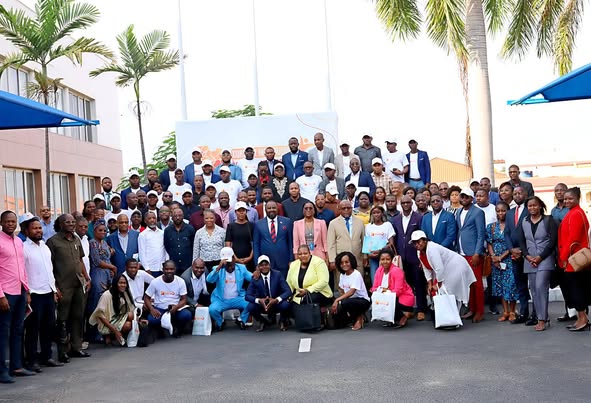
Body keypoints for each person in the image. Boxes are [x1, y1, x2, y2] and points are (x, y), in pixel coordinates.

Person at [46, 214, 91, 362]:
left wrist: (87, 277)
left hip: (78, 283)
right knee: (63, 319)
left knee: (78, 316)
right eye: (68, 222)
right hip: (63, 285)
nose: (71, 224)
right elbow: (49, 266)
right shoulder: (53, 242)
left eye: (73, 222)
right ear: (61, 224)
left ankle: (76, 347)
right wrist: (55, 287)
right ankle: (63, 351)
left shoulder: (76, 239)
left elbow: (80, 260)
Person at [23, 219, 62, 372]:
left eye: (40, 228)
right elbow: (23, 272)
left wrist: (54, 290)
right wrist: (27, 292)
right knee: (33, 329)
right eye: (34, 228)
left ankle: (47, 356)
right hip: (34, 293)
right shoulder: (24, 248)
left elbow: (49, 270)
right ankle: (32, 360)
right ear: (27, 231)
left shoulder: (45, 247)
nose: (38, 230)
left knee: (48, 327)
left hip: (48, 292)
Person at [0, 211, 34, 383]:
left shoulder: (19, 241)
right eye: (7, 221)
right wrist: (0, 296)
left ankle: (16, 366)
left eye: (13, 221)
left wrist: (26, 291)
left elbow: (22, 267)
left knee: (18, 330)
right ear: (1, 222)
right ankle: (2, 371)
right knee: (3, 333)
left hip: (20, 291)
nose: (11, 224)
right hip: (5, 293)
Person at [412, 231, 476, 317]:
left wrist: (437, 285)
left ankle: (453, 316)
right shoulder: (419, 252)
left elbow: (439, 269)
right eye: (414, 243)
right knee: (443, 290)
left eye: (418, 241)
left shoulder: (432, 250)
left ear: (425, 240)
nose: (417, 245)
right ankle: (446, 316)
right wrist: (430, 283)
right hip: (446, 269)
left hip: (457, 266)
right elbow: (426, 268)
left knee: (448, 291)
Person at [519, 196, 558, 331]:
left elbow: (552, 241)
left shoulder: (548, 220)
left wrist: (541, 257)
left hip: (545, 258)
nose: (532, 208)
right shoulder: (524, 221)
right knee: (534, 290)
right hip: (530, 260)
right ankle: (541, 316)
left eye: (535, 205)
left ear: (540, 206)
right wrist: (527, 255)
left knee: (541, 286)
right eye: (529, 206)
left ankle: (542, 319)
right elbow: (521, 241)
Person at [557, 187, 591, 332]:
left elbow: (574, 238)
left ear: (578, 199)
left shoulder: (576, 213)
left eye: (570, 198)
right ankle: (580, 318)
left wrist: (564, 257)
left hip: (574, 259)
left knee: (576, 289)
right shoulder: (572, 212)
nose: (567, 201)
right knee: (576, 288)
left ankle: (583, 319)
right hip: (572, 258)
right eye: (565, 199)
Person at [392, 195, 426, 319]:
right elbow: (394, 238)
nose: (406, 204)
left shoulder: (419, 217)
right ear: (400, 205)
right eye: (403, 203)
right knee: (406, 285)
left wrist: (422, 257)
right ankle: (408, 309)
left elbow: (422, 238)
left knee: (419, 283)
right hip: (401, 257)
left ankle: (421, 309)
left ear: (412, 204)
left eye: (408, 202)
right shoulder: (395, 219)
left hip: (415, 256)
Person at [455, 188, 486, 323]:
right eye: (462, 196)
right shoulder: (458, 212)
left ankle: (480, 311)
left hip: (473, 253)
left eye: (466, 197)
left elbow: (481, 234)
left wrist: (477, 253)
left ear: (471, 198)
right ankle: (472, 309)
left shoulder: (478, 212)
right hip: (461, 253)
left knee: (477, 283)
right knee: (468, 284)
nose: (463, 199)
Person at [486, 201, 518, 322]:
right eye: (498, 211)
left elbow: (513, 244)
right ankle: (505, 311)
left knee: (511, 285)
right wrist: (494, 257)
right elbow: (489, 243)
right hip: (496, 262)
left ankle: (512, 311)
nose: (501, 213)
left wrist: (501, 257)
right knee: (500, 286)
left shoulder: (512, 226)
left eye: (503, 210)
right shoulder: (491, 226)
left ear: (508, 211)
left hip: (509, 259)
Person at [504, 186, 532, 324]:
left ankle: (537, 314)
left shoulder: (530, 210)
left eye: (520, 193)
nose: (517, 195)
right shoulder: (510, 213)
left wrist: (522, 250)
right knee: (520, 285)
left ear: (525, 194)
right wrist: (511, 249)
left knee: (533, 285)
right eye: (515, 193)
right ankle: (524, 313)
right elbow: (507, 233)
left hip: (528, 253)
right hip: (514, 255)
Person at [207, 247, 252, 331]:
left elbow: (252, 278)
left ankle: (241, 320)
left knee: (251, 305)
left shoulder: (241, 268)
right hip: (221, 300)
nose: (230, 268)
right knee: (212, 309)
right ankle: (221, 322)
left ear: (234, 259)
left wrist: (257, 274)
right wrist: (218, 268)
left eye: (231, 264)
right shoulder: (217, 269)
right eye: (227, 265)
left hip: (238, 299)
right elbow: (209, 280)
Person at [369, 248, 415, 328]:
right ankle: (392, 318)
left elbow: (397, 292)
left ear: (392, 259)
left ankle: (402, 317)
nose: (385, 261)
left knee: (388, 301)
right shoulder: (379, 270)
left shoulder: (397, 271)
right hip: (388, 296)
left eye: (388, 259)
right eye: (382, 259)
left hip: (403, 298)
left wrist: (383, 291)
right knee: (375, 300)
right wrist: (379, 291)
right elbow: (374, 288)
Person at [144, 260, 191, 337]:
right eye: (167, 269)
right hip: (160, 309)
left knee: (186, 315)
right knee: (152, 319)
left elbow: (184, 299)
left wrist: (176, 307)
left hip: (175, 308)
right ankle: (161, 330)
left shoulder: (181, 281)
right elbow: (146, 298)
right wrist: (152, 309)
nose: (169, 271)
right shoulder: (155, 282)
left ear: (175, 269)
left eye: (171, 269)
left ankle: (177, 328)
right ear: (163, 270)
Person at [246, 255, 292, 332]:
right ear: (258, 267)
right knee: (250, 307)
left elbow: (288, 291)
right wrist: (259, 300)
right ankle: (262, 321)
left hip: (275, 302)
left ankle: (283, 320)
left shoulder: (277, 274)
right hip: (262, 304)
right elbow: (247, 296)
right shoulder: (255, 277)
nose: (264, 267)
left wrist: (276, 300)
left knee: (286, 304)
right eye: (261, 265)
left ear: (270, 265)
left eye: (266, 264)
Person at [87, 220, 117, 336]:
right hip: (98, 273)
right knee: (97, 300)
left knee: (107, 302)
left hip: (107, 274)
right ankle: (95, 333)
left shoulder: (104, 243)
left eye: (105, 231)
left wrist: (111, 268)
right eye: (100, 230)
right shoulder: (92, 243)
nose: (103, 232)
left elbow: (108, 256)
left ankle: (106, 331)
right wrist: (112, 267)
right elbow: (97, 261)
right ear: (94, 231)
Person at [327, 200, 365, 289]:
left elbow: (364, 240)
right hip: (341, 260)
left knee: (358, 285)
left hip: (357, 258)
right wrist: (332, 260)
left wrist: (365, 256)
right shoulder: (333, 223)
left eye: (348, 208)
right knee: (342, 285)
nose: (346, 210)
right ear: (339, 209)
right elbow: (331, 243)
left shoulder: (359, 222)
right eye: (343, 208)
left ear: (352, 208)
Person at [89, 274, 135, 345]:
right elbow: (100, 316)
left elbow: (131, 308)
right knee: (127, 325)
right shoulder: (107, 295)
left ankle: (120, 335)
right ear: (115, 283)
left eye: (124, 283)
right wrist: (116, 331)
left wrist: (138, 320)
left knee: (131, 315)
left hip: (117, 318)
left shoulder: (125, 293)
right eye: (120, 283)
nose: (123, 285)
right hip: (106, 323)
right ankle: (109, 335)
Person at [550, 183, 573, 322]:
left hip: (570, 251)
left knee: (574, 283)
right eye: (556, 190)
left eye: (561, 190)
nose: (559, 192)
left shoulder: (570, 209)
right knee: (563, 284)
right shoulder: (553, 211)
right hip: (558, 251)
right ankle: (569, 311)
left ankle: (579, 312)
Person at [253, 201, 294, 278]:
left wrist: (291, 260)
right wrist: (257, 263)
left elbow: (291, 242)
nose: (271, 210)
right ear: (265, 210)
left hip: (283, 261)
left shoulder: (287, 222)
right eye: (269, 208)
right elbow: (256, 244)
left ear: (277, 209)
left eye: (274, 208)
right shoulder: (258, 224)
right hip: (266, 263)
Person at [332, 252, 370, 330]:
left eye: (347, 262)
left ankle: (359, 318)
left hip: (362, 301)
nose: (344, 264)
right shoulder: (342, 275)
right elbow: (341, 290)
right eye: (342, 263)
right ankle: (355, 317)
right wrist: (339, 304)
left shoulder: (356, 274)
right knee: (337, 320)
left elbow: (351, 292)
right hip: (349, 301)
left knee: (345, 302)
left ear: (351, 262)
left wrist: (337, 300)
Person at [287, 245, 333, 309]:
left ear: (310, 253)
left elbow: (324, 281)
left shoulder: (319, 262)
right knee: (287, 304)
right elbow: (289, 282)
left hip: (320, 292)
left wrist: (307, 290)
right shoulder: (293, 264)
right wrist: (287, 295)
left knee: (306, 300)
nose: (303, 256)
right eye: (300, 254)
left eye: (305, 253)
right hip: (300, 295)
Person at [363, 206, 395, 282]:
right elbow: (367, 243)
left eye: (378, 212)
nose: (376, 214)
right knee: (374, 279)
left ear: (382, 214)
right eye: (374, 213)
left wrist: (381, 251)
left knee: (386, 279)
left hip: (386, 257)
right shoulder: (368, 227)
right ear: (371, 215)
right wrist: (368, 255)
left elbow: (391, 243)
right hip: (373, 257)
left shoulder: (387, 225)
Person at [163, 208, 195, 275]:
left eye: (179, 215)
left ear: (183, 216)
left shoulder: (190, 229)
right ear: (171, 217)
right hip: (173, 265)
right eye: (175, 216)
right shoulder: (167, 230)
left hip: (187, 264)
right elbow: (166, 246)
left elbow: (193, 245)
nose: (177, 218)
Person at [225, 202, 255, 271]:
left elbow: (255, 243)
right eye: (239, 211)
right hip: (235, 258)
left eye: (243, 210)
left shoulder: (251, 225)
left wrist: (250, 257)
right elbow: (228, 244)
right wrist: (235, 258)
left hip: (249, 259)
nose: (241, 213)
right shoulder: (231, 226)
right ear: (236, 212)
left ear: (246, 211)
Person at [138, 212, 169, 277]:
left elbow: (166, 249)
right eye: (149, 218)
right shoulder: (142, 235)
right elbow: (141, 253)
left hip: (162, 268)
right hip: (150, 269)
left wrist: (166, 263)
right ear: (145, 221)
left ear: (156, 220)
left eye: (154, 218)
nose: (152, 220)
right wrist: (147, 269)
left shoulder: (162, 233)